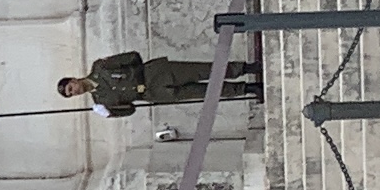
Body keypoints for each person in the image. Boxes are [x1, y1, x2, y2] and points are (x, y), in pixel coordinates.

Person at [61, 52, 265, 116]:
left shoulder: (100, 67)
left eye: (71, 88)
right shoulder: (101, 100)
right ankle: (247, 89)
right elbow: (130, 110)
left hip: (157, 74)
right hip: (155, 94)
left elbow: (132, 57)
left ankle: (246, 69)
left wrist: (138, 77)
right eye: (72, 94)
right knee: (204, 92)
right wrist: (110, 113)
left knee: (205, 70)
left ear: (73, 79)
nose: (75, 92)